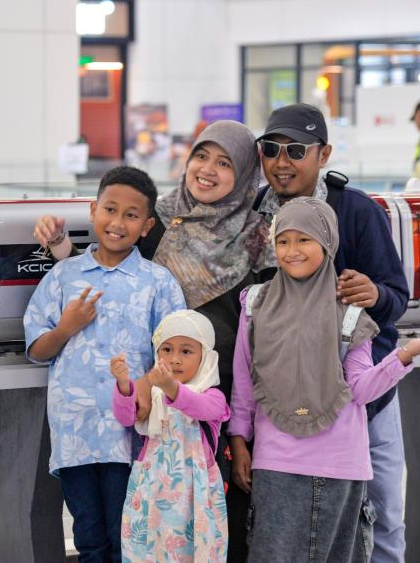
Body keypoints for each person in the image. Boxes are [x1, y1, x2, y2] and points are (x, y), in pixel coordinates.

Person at [35, 120, 271, 561]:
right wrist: (61, 247)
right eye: (201, 156)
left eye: (224, 163)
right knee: (145, 527)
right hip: (152, 405)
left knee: (219, 525)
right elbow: (109, 263)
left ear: (243, 173)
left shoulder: (258, 233)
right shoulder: (160, 219)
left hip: (223, 397)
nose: (208, 169)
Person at [228, 197, 420, 563]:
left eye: (304, 239)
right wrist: (239, 441)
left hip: (339, 465)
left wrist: (405, 355)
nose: (292, 250)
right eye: (283, 241)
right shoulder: (255, 305)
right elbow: (245, 383)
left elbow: (360, 389)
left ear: (327, 243)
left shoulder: (351, 313)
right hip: (275, 463)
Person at [253, 103, 411, 563]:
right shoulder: (252, 214)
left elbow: (396, 297)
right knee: (289, 522)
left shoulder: (356, 211)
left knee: (383, 510)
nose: (282, 162)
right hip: (284, 404)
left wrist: (374, 294)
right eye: (271, 149)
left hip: (362, 395)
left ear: (323, 154)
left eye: (296, 150)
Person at [24, 166, 186, 563]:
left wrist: (147, 383)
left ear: (147, 226)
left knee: (127, 536)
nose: (117, 223)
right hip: (73, 434)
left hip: (129, 434)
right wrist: (66, 327)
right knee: (88, 538)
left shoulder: (158, 282)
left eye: (131, 215)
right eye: (110, 210)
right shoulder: (63, 276)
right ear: (93, 210)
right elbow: (37, 349)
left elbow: (177, 354)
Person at [111, 310, 230, 562]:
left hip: (194, 497)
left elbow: (199, 407)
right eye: (166, 350)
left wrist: (169, 388)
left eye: (186, 351)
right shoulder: (153, 396)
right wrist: (123, 385)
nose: (175, 359)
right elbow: (126, 417)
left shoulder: (212, 396)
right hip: (151, 493)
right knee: (148, 551)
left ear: (206, 357)